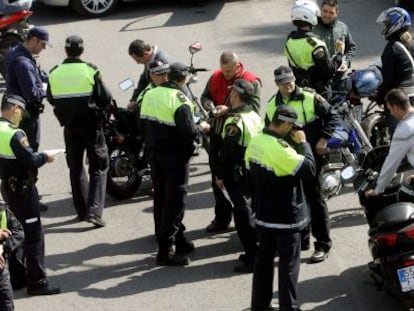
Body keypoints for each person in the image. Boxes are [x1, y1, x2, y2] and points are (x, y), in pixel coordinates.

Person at [265, 65, 339, 263]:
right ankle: (303, 240)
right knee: (296, 199)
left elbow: (332, 115)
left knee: (315, 199)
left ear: (294, 79)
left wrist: (324, 139)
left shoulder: (310, 97)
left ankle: (323, 244)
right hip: (288, 159)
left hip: (313, 155)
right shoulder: (273, 104)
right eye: (283, 83)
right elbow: (269, 131)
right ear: (276, 84)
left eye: (290, 81)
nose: (288, 85)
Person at [246, 105, 316, 311]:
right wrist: (303, 144)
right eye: (292, 126)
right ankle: (289, 307)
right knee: (288, 265)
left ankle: (259, 305)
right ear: (285, 123)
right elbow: (309, 169)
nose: (293, 130)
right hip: (286, 218)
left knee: (263, 262)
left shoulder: (256, 141)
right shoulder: (281, 150)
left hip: (263, 215)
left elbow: (249, 174)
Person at [140, 62, 210, 266]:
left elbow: (141, 124)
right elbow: (188, 131)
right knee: (175, 202)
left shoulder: (150, 94)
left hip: (154, 154)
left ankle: (180, 241)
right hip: (175, 157)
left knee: (162, 197)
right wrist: (202, 127)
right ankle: (165, 251)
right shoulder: (180, 99)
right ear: (184, 79)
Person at [47, 35, 112, 227]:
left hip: (69, 126)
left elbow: (51, 98)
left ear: (65, 50)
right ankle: (94, 212)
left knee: (75, 168)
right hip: (92, 125)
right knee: (99, 166)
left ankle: (82, 210)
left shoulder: (55, 72)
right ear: (82, 50)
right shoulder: (90, 70)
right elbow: (105, 98)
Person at [0, 94, 59, 295]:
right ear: (15, 108)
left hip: (7, 189)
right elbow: (31, 160)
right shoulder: (14, 134)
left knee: (15, 232)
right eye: (21, 112)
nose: (22, 116)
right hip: (24, 190)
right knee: (33, 236)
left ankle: (17, 278)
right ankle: (37, 282)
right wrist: (45, 156)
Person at [200, 51, 261, 233]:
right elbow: (205, 97)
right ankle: (222, 218)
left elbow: (254, 109)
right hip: (217, 135)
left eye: (229, 71)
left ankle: (249, 221)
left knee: (244, 187)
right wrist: (210, 106)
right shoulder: (215, 77)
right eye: (223, 71)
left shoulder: (250, 81)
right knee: (217, 181)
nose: (226, 75)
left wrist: (228, 110)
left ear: (237, 65)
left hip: (240, 141)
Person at [214, 79, 263, 273]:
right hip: (254, 171)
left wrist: (219, 175)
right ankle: (253, 251)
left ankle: (253, 256)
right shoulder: (254, 116)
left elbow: (227, 153)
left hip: (238, 175)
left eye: (231, 92)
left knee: (242, 216)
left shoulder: (235, 122)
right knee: (251, 211)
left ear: (235, 95)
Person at [285, 0, 338, 100]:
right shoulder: (316, 45)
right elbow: (328, 72)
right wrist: (339, 56)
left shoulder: (290, 39)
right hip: (319, 93)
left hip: (298, 88)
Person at [366, 89, 414, 200]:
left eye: (390, 110)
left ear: (396, 108)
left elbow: (391, 163)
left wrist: (378, 190)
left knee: (402, 197)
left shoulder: (404, 130)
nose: (391, 113)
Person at [376, 7, 414, 137]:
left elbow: (386, 80)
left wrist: (379, 98)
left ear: (395, 24)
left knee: (398, 137)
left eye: (387, 24)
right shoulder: (410, 43)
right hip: (412, 94)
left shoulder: (392, 49)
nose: (385, 27)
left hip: (400, 99)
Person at [312, 0, 356, 90]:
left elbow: (351, 47)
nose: (327, 15)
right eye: (325, 11)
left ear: (337, 13)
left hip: (338, 78)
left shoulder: (342, 28)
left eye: (331, 12)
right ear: (321, 10)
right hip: (318, 80)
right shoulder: (312, 28)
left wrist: (346, 62)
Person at [128, 39, 176, 110]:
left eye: (138, 60)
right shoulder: (150, 60)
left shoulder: (161, 62)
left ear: (145, 54)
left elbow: (169, 87)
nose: (137, 63)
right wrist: (134, 99)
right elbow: (143, 80)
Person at [0, 203, 24, 311]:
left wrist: (4, 245)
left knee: (7, 304)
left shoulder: (2, 211)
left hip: (2, 274)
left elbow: (18, 232)